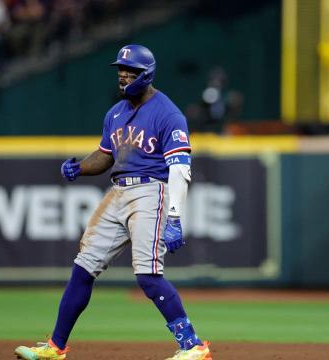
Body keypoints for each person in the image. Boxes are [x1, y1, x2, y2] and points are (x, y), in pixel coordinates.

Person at [14, 44, 212, 360]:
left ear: (145, 75)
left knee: (148, 276)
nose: (122, 76)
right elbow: (105, 156)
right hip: (118, 192)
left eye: (129, 71)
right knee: (83, 267)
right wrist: (80, 167)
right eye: (120, 70)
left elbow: (179, 170)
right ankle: (55, 347)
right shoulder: (115, 113)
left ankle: (193, 346)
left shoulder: (168, 113)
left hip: (151, 192)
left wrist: (174, 216)